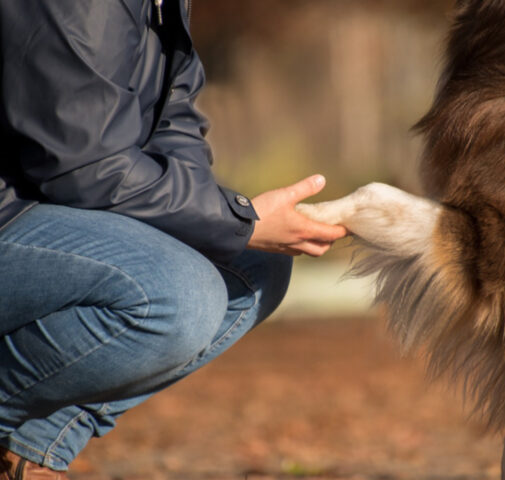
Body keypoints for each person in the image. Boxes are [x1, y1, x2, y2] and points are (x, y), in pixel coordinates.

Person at [0, 0, 348, 478]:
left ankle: (27, 449)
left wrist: (231, 225)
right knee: (178, 295)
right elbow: (85, 167)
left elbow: (174, 121)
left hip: (40, 204)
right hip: (15, 211)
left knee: (251, 266)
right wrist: (240, 221)